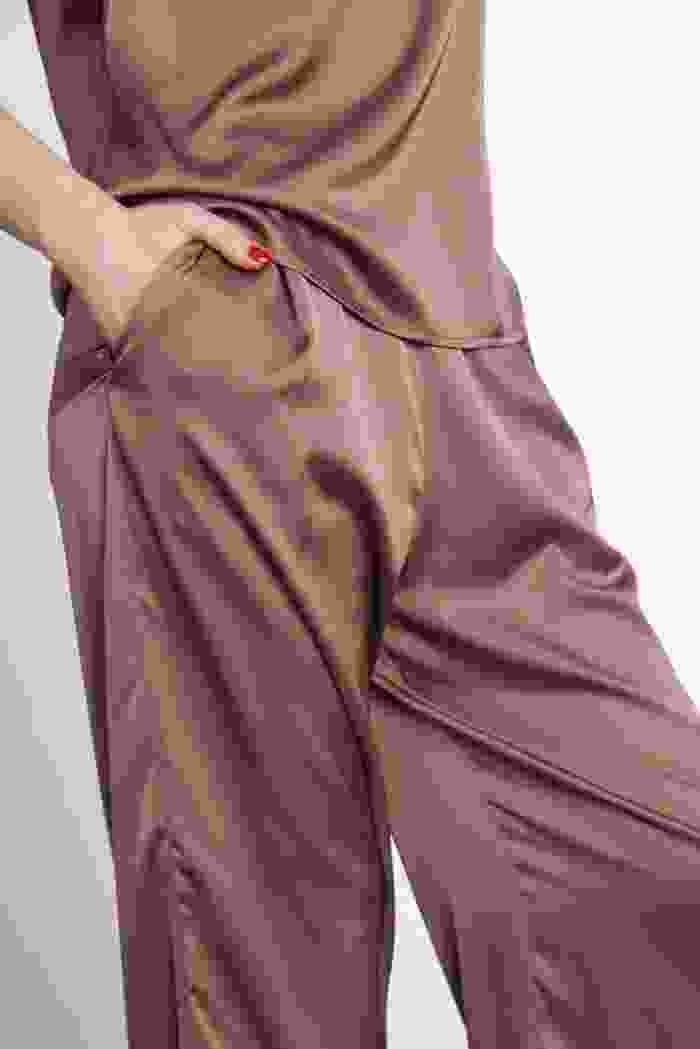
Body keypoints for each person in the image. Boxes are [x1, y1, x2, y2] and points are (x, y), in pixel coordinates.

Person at [3, 2, 700, 1046]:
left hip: (466, 349)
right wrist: (90, 238)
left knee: (650, 885)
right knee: (259, 985)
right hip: (229, 336)